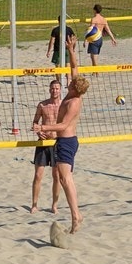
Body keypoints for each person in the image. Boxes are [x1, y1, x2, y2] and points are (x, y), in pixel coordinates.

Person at [33, 68, 89, 234]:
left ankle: (75, 215)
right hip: (64, 142)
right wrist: (71, 51)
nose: (69, 82)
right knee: (64, 179)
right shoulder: (72, 94)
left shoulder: (73, 102)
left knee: (65, 179)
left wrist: (42, 126)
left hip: (66, 141)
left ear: (74, 88)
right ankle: (76, 214)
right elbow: (74, 70)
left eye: (71, 83)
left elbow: (63, 125)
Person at [29, 78, 63, 214]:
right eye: (52, 88)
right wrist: (38, 133)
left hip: (57, 142)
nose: (54, 90)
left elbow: (67, 124)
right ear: (49, 90)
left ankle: (54, 205)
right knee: (38, 175)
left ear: (60, 90)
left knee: (56, 176)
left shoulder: (63, 105)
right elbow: (35, 123)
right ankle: (34, 204)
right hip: (43, 143)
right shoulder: (42, 105)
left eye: (56, 88)